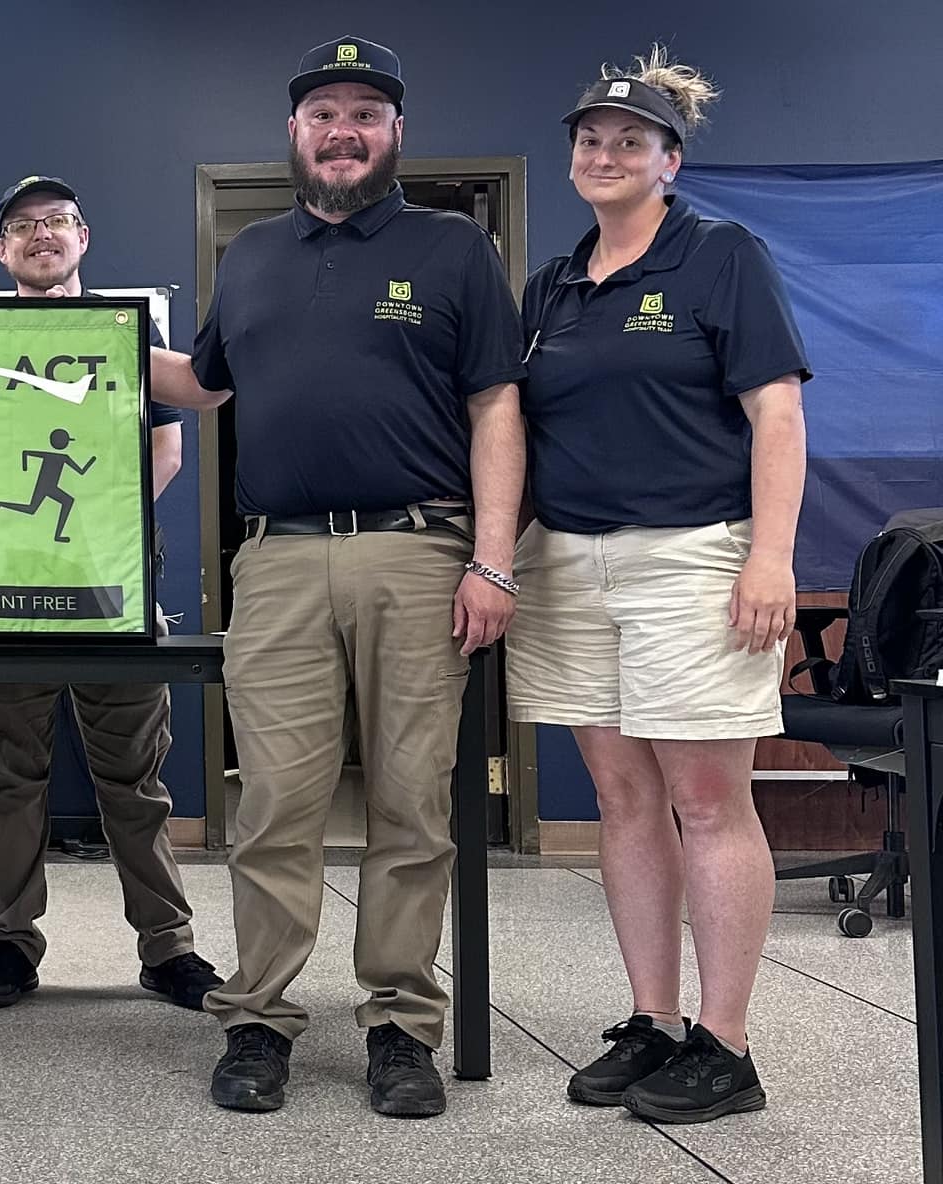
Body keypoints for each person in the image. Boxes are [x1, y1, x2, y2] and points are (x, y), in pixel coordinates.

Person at [150, 38, 527, 1118]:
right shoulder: (253, 255)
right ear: (294, 132)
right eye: (323, 112)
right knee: (271, 801)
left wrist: (490, 559)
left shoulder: (452, 249)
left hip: (416, 552)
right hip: (271, 558)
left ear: (394, 132)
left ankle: (401, 1024)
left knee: (412, 801)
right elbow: (202, 383)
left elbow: (494, 408)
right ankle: (258, 1017)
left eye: (365, 112)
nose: (342, 130)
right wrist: (89, 329)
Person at [505, 47, 808, 1125]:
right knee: (622, 799)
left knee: (704, 799)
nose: (603, 154)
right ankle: (654, 1018)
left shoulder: (718, 257)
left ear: (666, 159)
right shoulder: (549, 286)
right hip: (568, 562)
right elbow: (521, 437)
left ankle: (725, 1041)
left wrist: (769, 556)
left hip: (689, 554)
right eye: (588, 140)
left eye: (627, 140)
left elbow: (775, 411)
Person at [0, 175, 223, 1014]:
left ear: (83, 238)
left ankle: (167, 947)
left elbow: (168, 452)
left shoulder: (127, 335)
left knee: (135, 781)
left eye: (58, 222)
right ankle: (10, 942)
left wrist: (88, 533)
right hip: (2, 594)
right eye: (23, 226)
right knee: (9, 777)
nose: (43, 234)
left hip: (112, 591)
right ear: (2, 251)